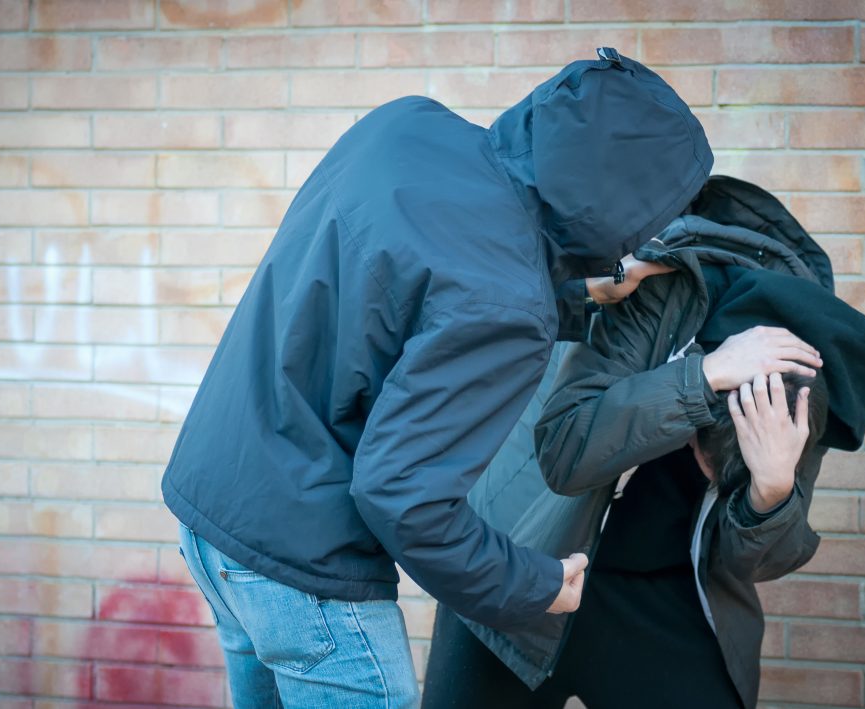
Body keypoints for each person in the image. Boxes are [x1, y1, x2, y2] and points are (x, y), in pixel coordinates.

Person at [163, 49, 715, 708]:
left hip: (214, 519)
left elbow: (421, 288)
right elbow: (402, 496)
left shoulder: (405, 125)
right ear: (633, 199)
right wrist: (535, 584)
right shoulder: (510, 302)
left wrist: (578, 288)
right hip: (305, 572)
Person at [422, 176, 865, 709]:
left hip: (669, 594)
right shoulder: (656, 288)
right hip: (531, 550)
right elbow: (565, 452)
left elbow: (754, 562)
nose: (699, 469)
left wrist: (772, 493)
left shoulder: (806, 377)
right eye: (700, 454)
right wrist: (701, 379)